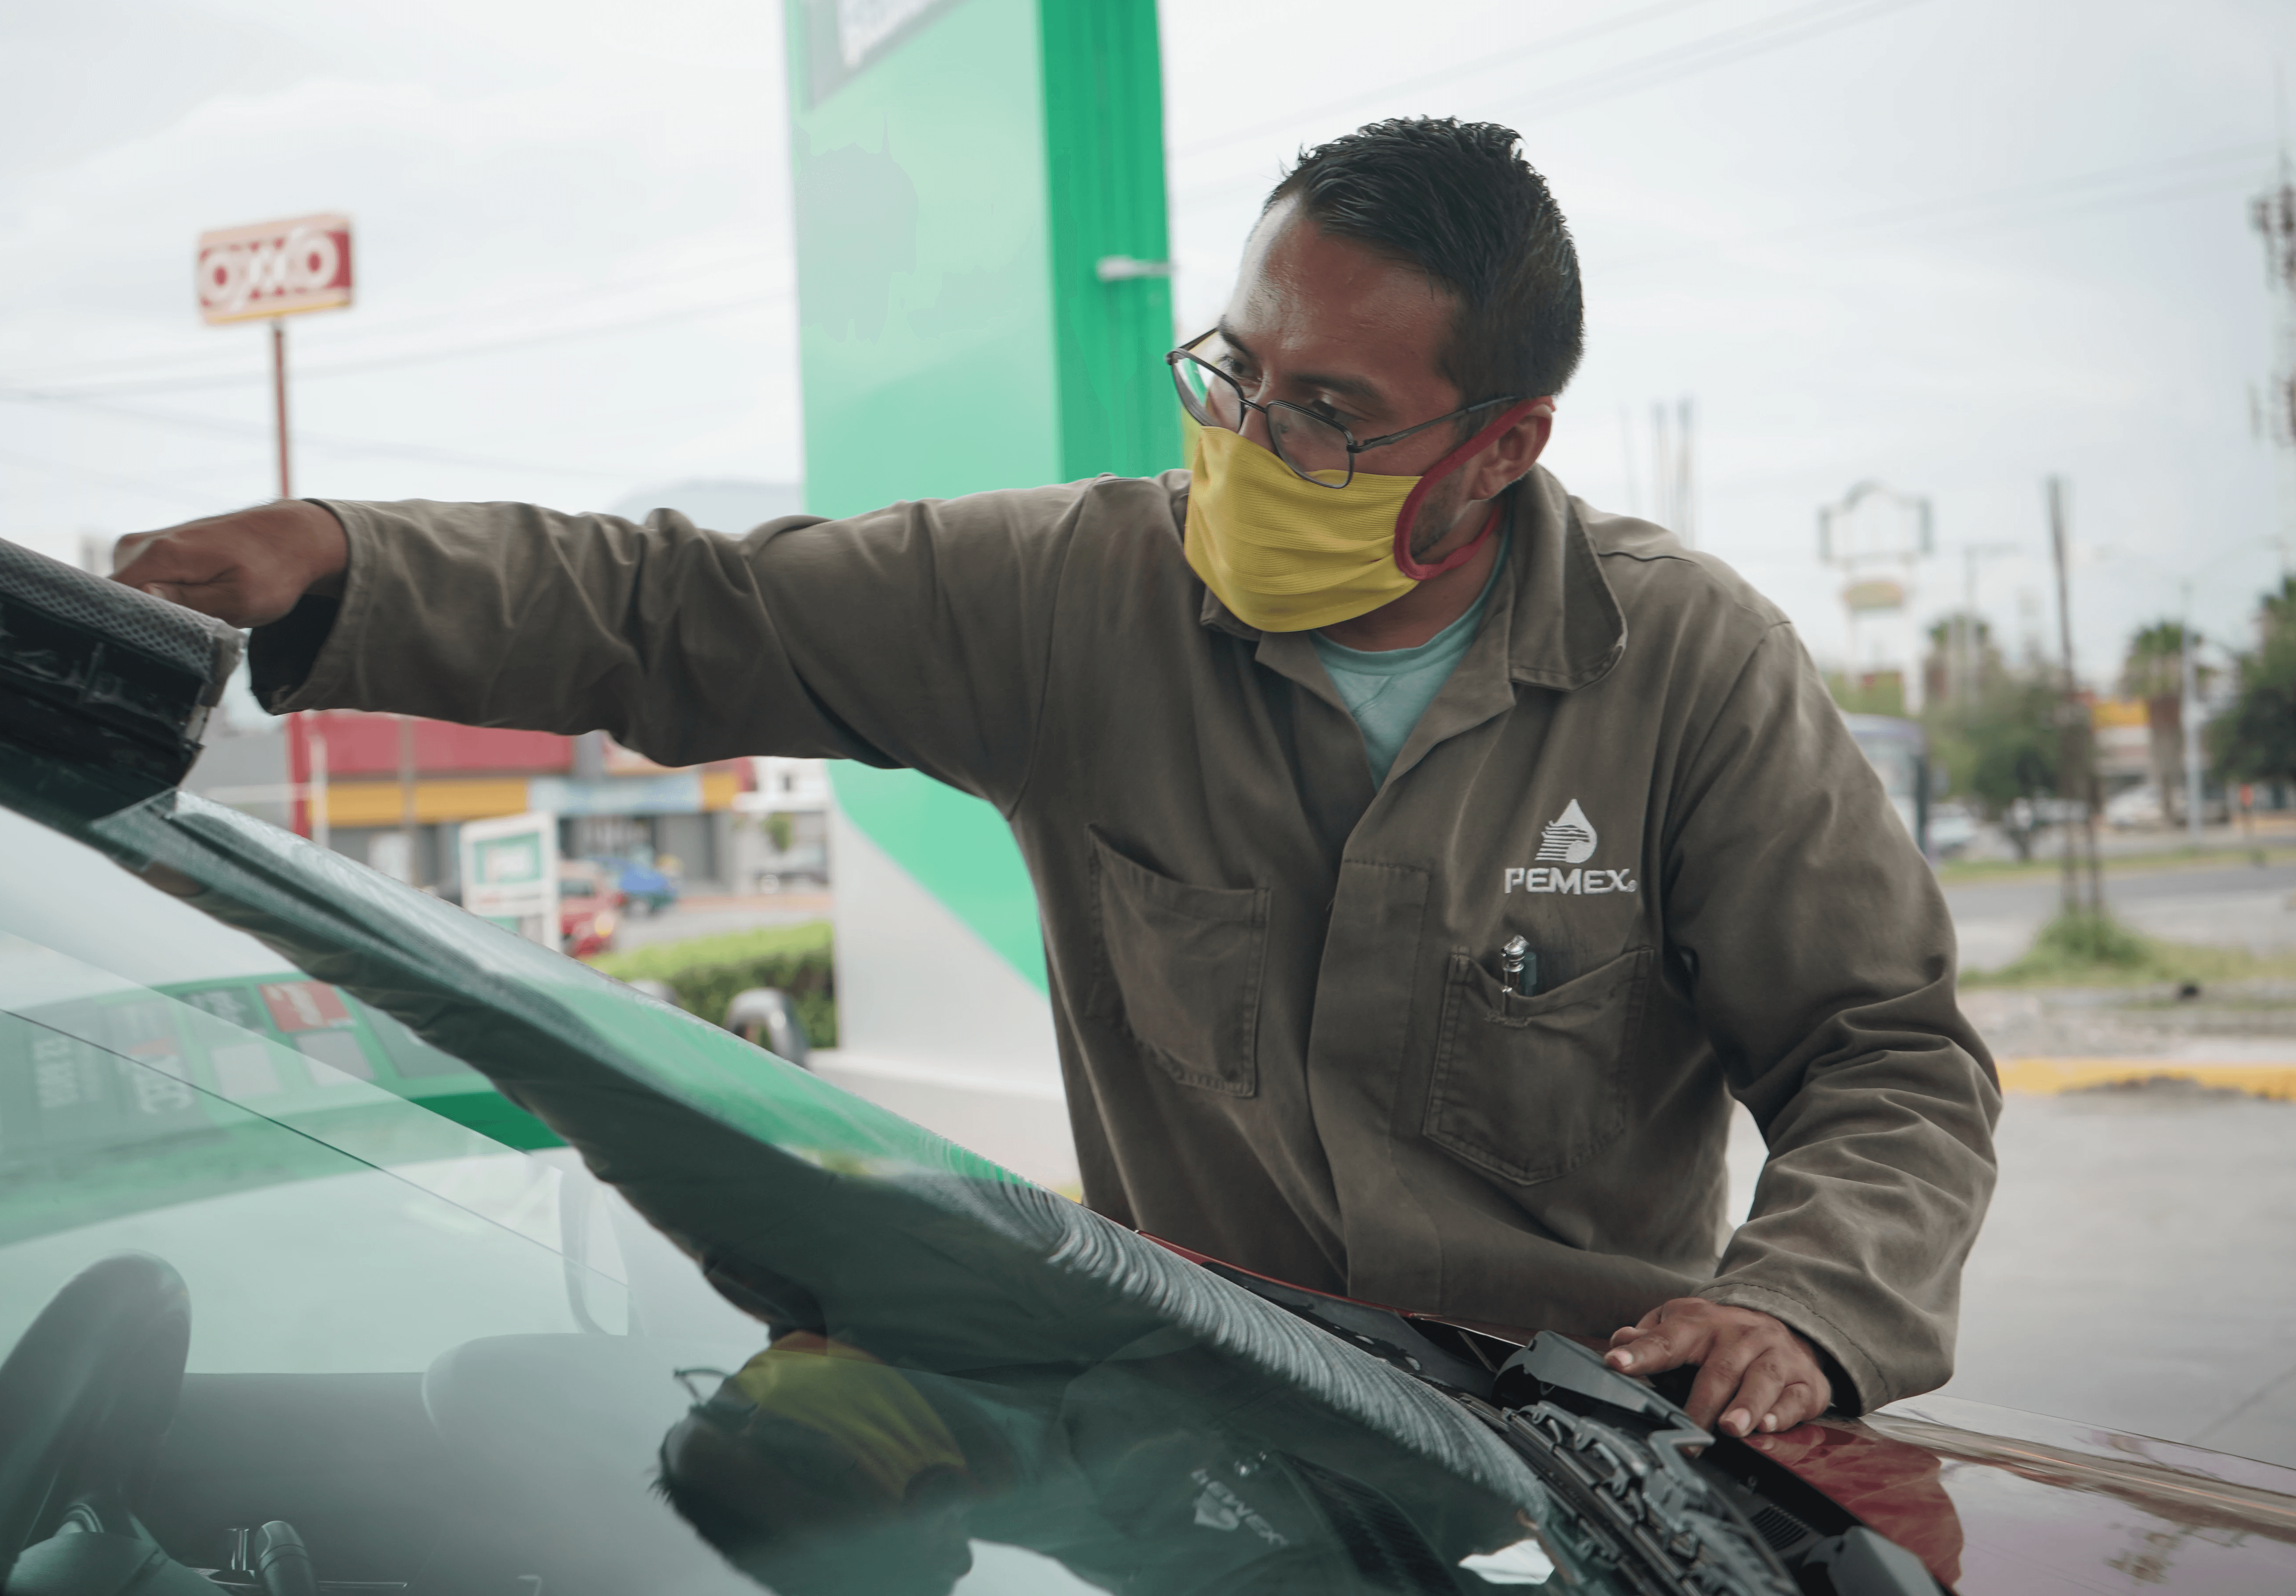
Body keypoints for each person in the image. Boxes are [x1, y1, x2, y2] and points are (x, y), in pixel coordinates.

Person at [112, 117, 1998, 1441]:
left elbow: (1882, 1055)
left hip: (1573, 1481)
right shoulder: (1065, 601)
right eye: (1232, 373)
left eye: (1328, 414)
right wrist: (342, 564)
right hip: (1214, 1429)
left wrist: (1801, 1304)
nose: (1250, 441)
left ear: (1499, 443)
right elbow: (684, 611)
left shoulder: (1681, 665)